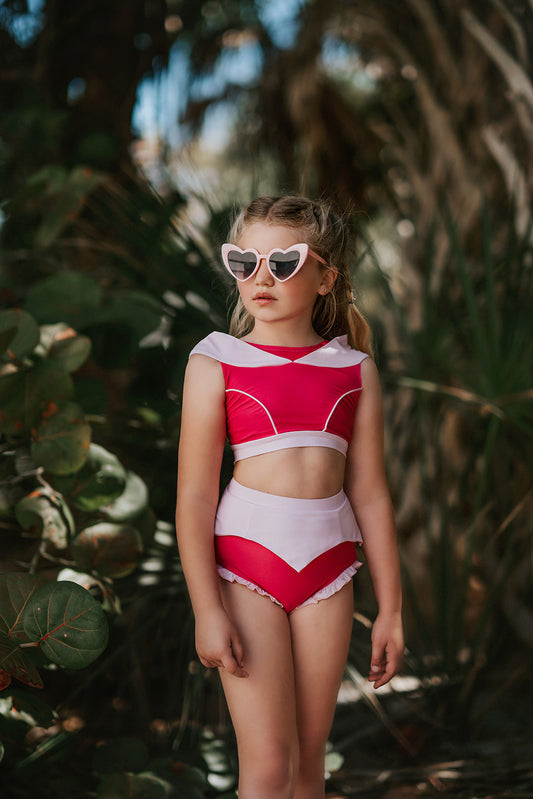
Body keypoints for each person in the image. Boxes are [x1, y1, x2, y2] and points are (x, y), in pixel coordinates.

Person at [176, 195, 404, 799]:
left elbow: (372, 496)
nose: (260, 277)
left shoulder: (354, 368)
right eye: (244, 261)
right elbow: (196, 496)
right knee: (269, 768)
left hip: (329, 574)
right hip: (245, 569)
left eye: (283, 262)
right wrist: (207, 608)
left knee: (308, 770)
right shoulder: (216, 359)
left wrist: (392, 608)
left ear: (325, 277)